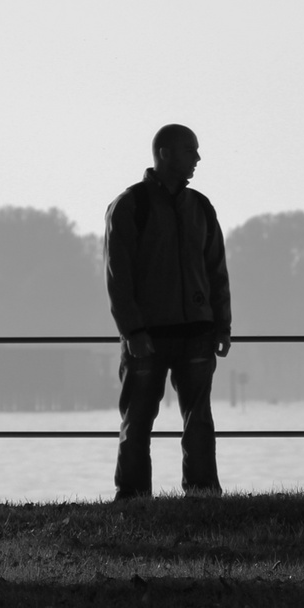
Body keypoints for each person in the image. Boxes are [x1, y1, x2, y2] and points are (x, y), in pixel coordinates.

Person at [104, 124, 232, 499]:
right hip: (150, 335)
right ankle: (133, 495)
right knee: (139, 420)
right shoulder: (130, 206)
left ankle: (201, 492)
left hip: (195, 331)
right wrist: (133, 332)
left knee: (198, 420)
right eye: (190, 150)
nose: (197, 158)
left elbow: (216, 270)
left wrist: (222, 325)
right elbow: (118, 276)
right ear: (164, 153)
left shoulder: (201, 208)